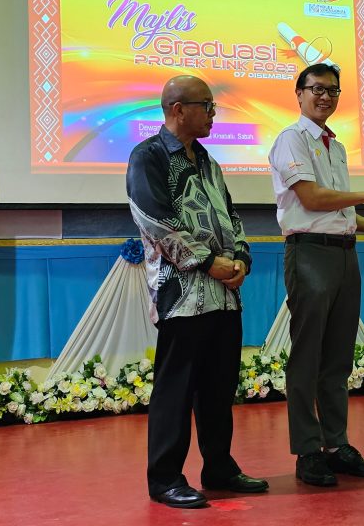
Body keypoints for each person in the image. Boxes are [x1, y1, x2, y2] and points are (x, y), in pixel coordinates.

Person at [127, 75, 267, 509]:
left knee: (218, 386)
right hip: (183, 295)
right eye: (206, 105)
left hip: (224, 293)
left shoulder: (207, 160)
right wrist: (209, 262)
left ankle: (219, 467)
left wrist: (241, 257)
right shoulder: (148, 156)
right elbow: (154, 220)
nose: (212, 113)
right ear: (176, 109)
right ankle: (165, 478)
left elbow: (231, 214)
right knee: (176, 389)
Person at [268, 63, 364, 487]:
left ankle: (337, 444)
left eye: (333, 90)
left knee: (338, 359)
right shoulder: (290, 139)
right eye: (317, 89)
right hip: (309, 254)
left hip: (346, 254)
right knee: (307, 356)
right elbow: (311, 198)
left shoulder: (336, 145)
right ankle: (308, 450)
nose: (325, 96)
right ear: (299, 93)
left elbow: (340, 209)